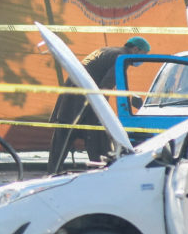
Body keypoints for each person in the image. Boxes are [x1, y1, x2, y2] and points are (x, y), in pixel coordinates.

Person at [47, 36, 151, 173]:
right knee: (97, 140)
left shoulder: (106, 50)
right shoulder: (122, 58)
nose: (142, 60)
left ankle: (52, 172)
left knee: (62, 140)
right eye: (143, 55)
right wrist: (104, 112)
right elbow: (106, 86)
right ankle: (103, 173)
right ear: (136, 49)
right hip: (86, 103)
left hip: (70, 99)